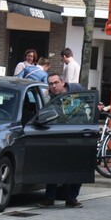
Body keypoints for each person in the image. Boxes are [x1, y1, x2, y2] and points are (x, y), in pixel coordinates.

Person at [37, 72, 86, 208]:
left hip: (77, 135)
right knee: (54, 167)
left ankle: (71, 199)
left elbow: (88, 103)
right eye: (51, 84)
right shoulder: (50, 99)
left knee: (78, 168)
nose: (54, 86)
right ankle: (49, 198)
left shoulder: (77, 90)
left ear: (62, 82)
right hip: (58, 136)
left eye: (56, 83)